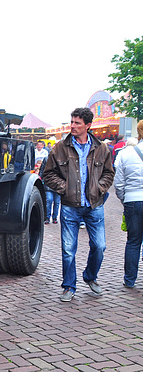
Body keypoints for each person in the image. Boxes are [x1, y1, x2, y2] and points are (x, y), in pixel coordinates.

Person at [42, 107, 114, 302]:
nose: (72, 126)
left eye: (77, 123)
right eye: (72, 122)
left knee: (100, 246)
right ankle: (69, 286)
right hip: (69, 206)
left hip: (94, 205)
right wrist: (64, 188)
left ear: (87, 126)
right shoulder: (60, 148)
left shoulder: (101, 148)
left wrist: (100, 188)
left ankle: (90, 277)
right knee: (68, 249)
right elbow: (47, 174)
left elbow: (109, 172)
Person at [114, 120, 143, 288]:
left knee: (133, 242)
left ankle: (130, 279)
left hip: (133, 200)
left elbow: (119, 183)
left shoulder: (126, 154)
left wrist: (125, 198)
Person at [39, 155, 60, 225]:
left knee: (57, 202)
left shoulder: (63, 157)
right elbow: (42, 170)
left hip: (59, 184)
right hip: (49, 183)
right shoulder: (46, 158)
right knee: (49, 200)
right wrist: (41, 179)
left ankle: (55, 218)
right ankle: (47, 217)